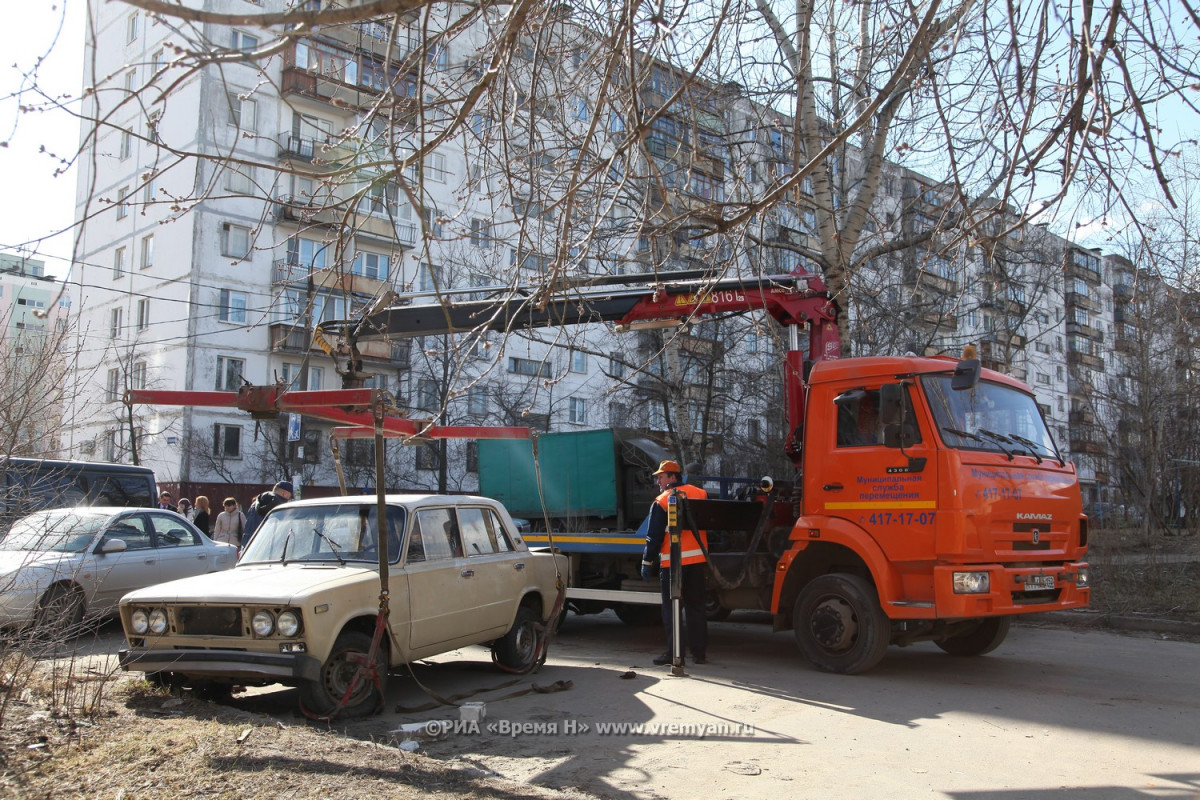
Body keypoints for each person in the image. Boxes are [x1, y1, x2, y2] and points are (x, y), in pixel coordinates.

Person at [639, 460, 709, 666]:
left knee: (671, 608)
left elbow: (654, 536)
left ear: (672, 477)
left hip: (673, 564)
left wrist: (647, 561)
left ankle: (674, 653)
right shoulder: (700, 494)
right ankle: (700, 653)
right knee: (696, 607)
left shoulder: (662, 500)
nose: (658, 481)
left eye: (661, 477)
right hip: (697, 561)